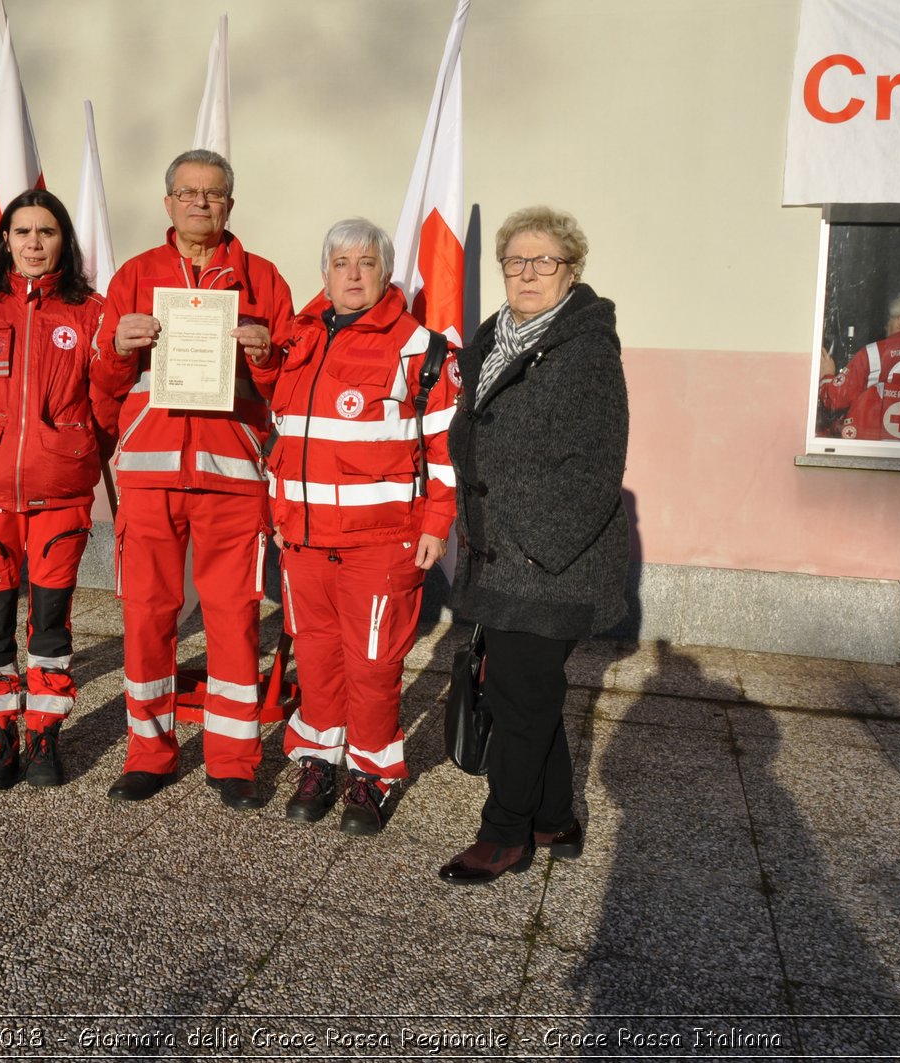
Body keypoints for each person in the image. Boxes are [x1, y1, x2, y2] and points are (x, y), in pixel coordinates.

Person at [90, 148, 294, 809]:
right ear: (168, 202)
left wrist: (266, 359)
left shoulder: (262, 279)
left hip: (233, 478)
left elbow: (289, 390)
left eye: (213, 194)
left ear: (230, 205)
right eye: (188, 192)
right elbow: (104, 386)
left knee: (234, 618)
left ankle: (233, 758)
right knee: (148, 617)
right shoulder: (135, 276)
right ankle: (150, 751)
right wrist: (117, 347)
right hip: (150, 479)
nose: (200, 203)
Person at [439, 206, 629, 884]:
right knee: (529, 692)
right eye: (515, 260)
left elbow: (595, 471)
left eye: (543, 260)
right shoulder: (497, 339)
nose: (527, 272)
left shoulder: (585, 352)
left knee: (519, 698)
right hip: (501, 554)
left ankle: (505, 834)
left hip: (550, 563)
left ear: (570, 270)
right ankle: (554, 816)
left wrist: (536, 549)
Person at [268, 219, 458, 835]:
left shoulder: (419, 349)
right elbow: (283, 436)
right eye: (341, 262)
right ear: (324, 272)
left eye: (367, 263)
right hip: (303, 539)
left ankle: (372, 774)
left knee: (374, 666)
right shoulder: (298, 340)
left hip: (382, 544)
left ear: (386, 271)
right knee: (318, 658)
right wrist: (276, 516)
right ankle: (321, 759)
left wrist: (437, 523)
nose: (353, 274)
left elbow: (448, 448)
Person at [0, 189, 113, 790]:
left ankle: (44, 730)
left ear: (63, 240)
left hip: (61, 490)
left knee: (50, 621)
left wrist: (78, 454)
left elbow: (106, 404)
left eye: (47, 232)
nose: (34, 243)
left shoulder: (91, 311)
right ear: (5, 240)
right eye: (23, 232)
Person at [817, 295, 900, 442]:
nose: (886, 326)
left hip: (872, 448)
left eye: (889, 319)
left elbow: (836, 399)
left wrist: (827, 375)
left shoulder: (874, 352)